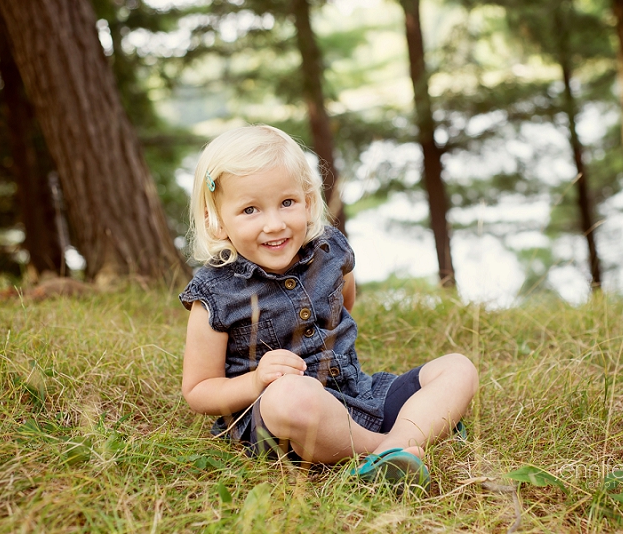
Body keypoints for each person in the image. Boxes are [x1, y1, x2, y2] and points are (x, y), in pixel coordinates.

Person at [179, 124, 478, 493]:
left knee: (457, 368)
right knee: (290, 395)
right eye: (250, 209)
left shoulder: (330, 251)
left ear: (307, 200)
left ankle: (395, 440)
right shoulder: (214, 292)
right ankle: (396, 443)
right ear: (216, 219)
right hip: (283, 422)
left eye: (287, 202)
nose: (274, 224)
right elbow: (198, 391)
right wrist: (257, 381)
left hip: (359, 394)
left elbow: (344, 302)